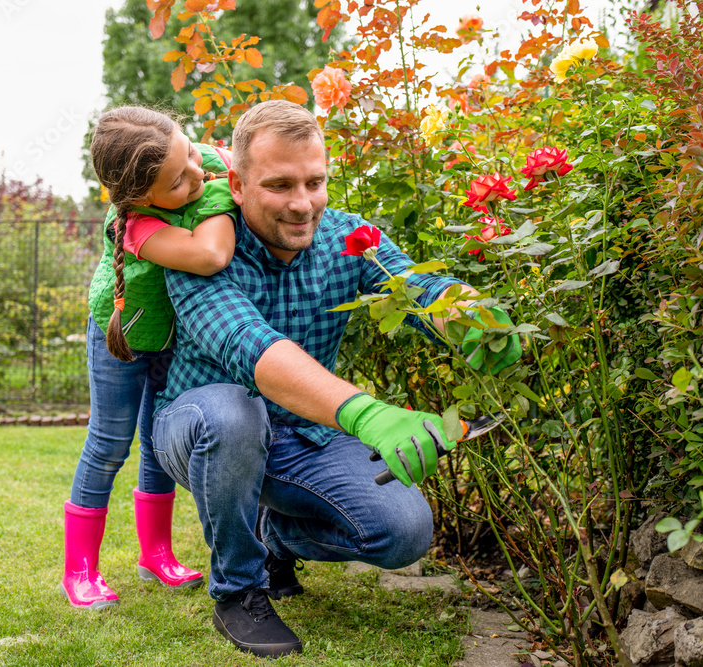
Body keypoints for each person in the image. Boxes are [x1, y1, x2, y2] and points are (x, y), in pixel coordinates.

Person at [150, 100, 522, 656]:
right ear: (238, 183)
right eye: (280, 185)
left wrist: (472, 317)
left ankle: (275, 537)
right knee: (233, 411)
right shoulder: (199, 250)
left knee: (405, 532)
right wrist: (368, 414)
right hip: (202, 428)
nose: (303, 205)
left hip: (302, 436)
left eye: (315, 182)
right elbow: (252, 349)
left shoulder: (349, 238)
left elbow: (419, 286)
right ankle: (238, 589)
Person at [61, 106, 238, 609]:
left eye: (190, 156)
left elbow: (223, 160)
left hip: (168, 338)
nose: (198, 174)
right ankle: (80, 571)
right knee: (110, 443)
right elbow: (209, 255)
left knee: (157, 441)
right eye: (179, 182)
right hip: (125, 337)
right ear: (139, 198)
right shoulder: (136, 226)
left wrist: (218, 168)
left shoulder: (190, 160)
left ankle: (156, 554)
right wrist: (230, 191)